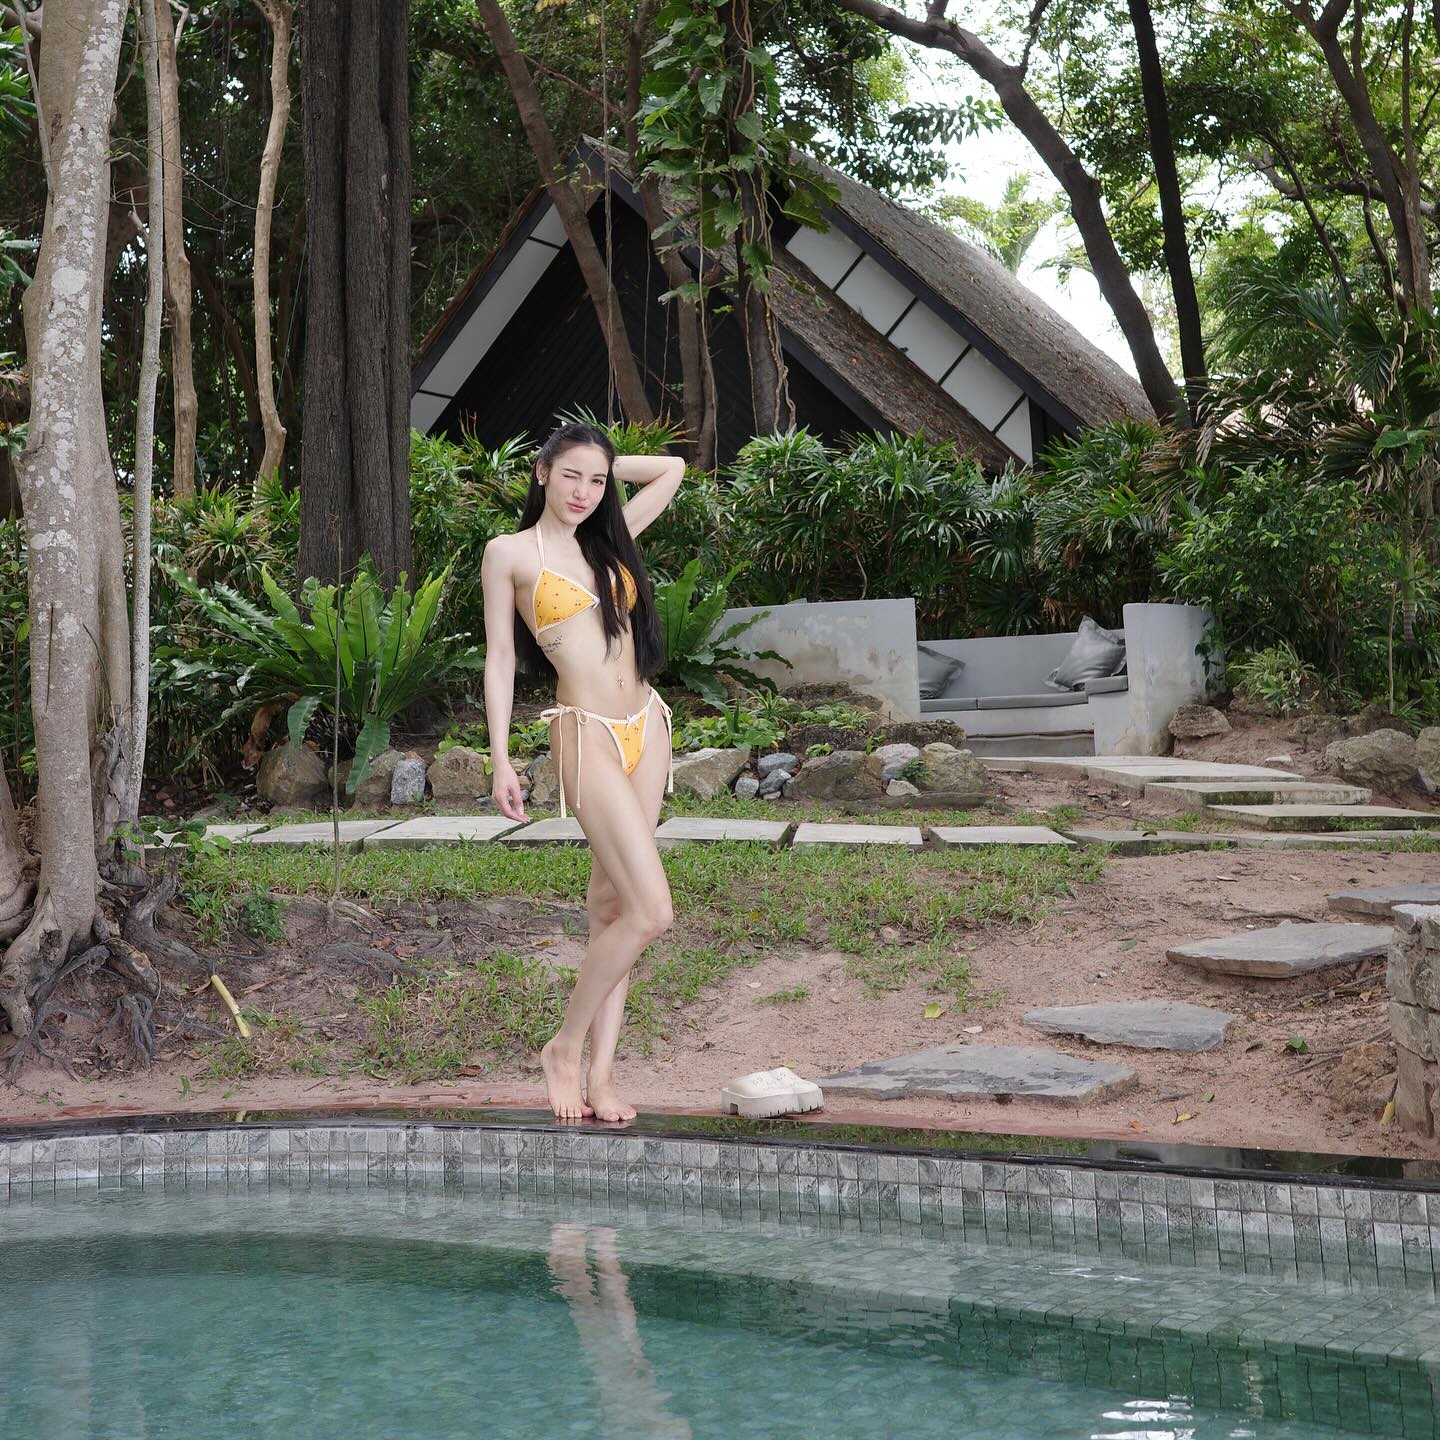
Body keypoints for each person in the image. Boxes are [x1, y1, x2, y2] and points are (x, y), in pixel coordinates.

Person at [481, 422, 685, 1122]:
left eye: (596, 481)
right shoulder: (509, 553)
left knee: (614, 909)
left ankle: (601, 1077)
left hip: (647, 727)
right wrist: (501, 757)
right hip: (585, 732)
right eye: (570, 475)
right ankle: (563, 1049)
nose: (584, 492)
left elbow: (672, 470)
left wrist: (603, 463)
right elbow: (500, 659)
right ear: (541, 472)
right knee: (653, 912)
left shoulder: (612, 538)